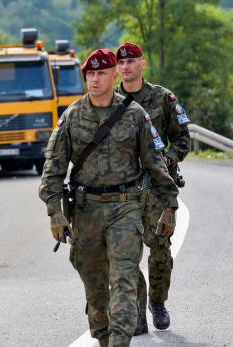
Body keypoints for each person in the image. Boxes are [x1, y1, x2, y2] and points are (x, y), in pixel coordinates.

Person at [39, 49, 178, 347]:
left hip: (125, 208)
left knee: (125, 281)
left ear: (114, 74)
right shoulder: (72, 117)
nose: (95, 79)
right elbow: (52, 171)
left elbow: (155, 163)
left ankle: (120, 343)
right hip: (85, 212)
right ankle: (105, 339)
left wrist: (170, 204)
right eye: (90, 74)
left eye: (101, 73)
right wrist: (55, 212)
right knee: (97, 291)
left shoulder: (135, 115)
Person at [114, 42, 190, 335]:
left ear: (142, 64)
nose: (126, 67)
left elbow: (183, 138)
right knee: (126, 254)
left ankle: (157, 301)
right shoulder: (110, 100)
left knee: (159, 250)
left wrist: (168, 160)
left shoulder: (162, 98)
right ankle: (137, 313)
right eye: (121, 63)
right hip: (122, 190)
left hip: (156, 189)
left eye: (132, 61)